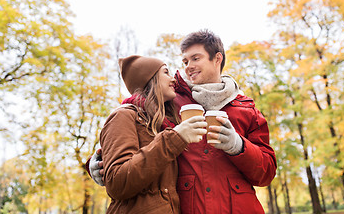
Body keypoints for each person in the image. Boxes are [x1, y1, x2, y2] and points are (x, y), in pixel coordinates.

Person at [88, 30, 277, 214]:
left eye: (196, 58)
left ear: (217, 59)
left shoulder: (247, 109)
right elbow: (134, 114)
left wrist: (238, 146)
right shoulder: (171, 100)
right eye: (185, 61)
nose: (188, 66)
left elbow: (266, 172)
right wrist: (97, 161)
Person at [94, 55, 207, 213]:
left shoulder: (164, 123)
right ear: (149, 80)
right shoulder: (124, 116)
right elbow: (117, 183)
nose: (173, 79)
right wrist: (174, 138)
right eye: (166, 72)